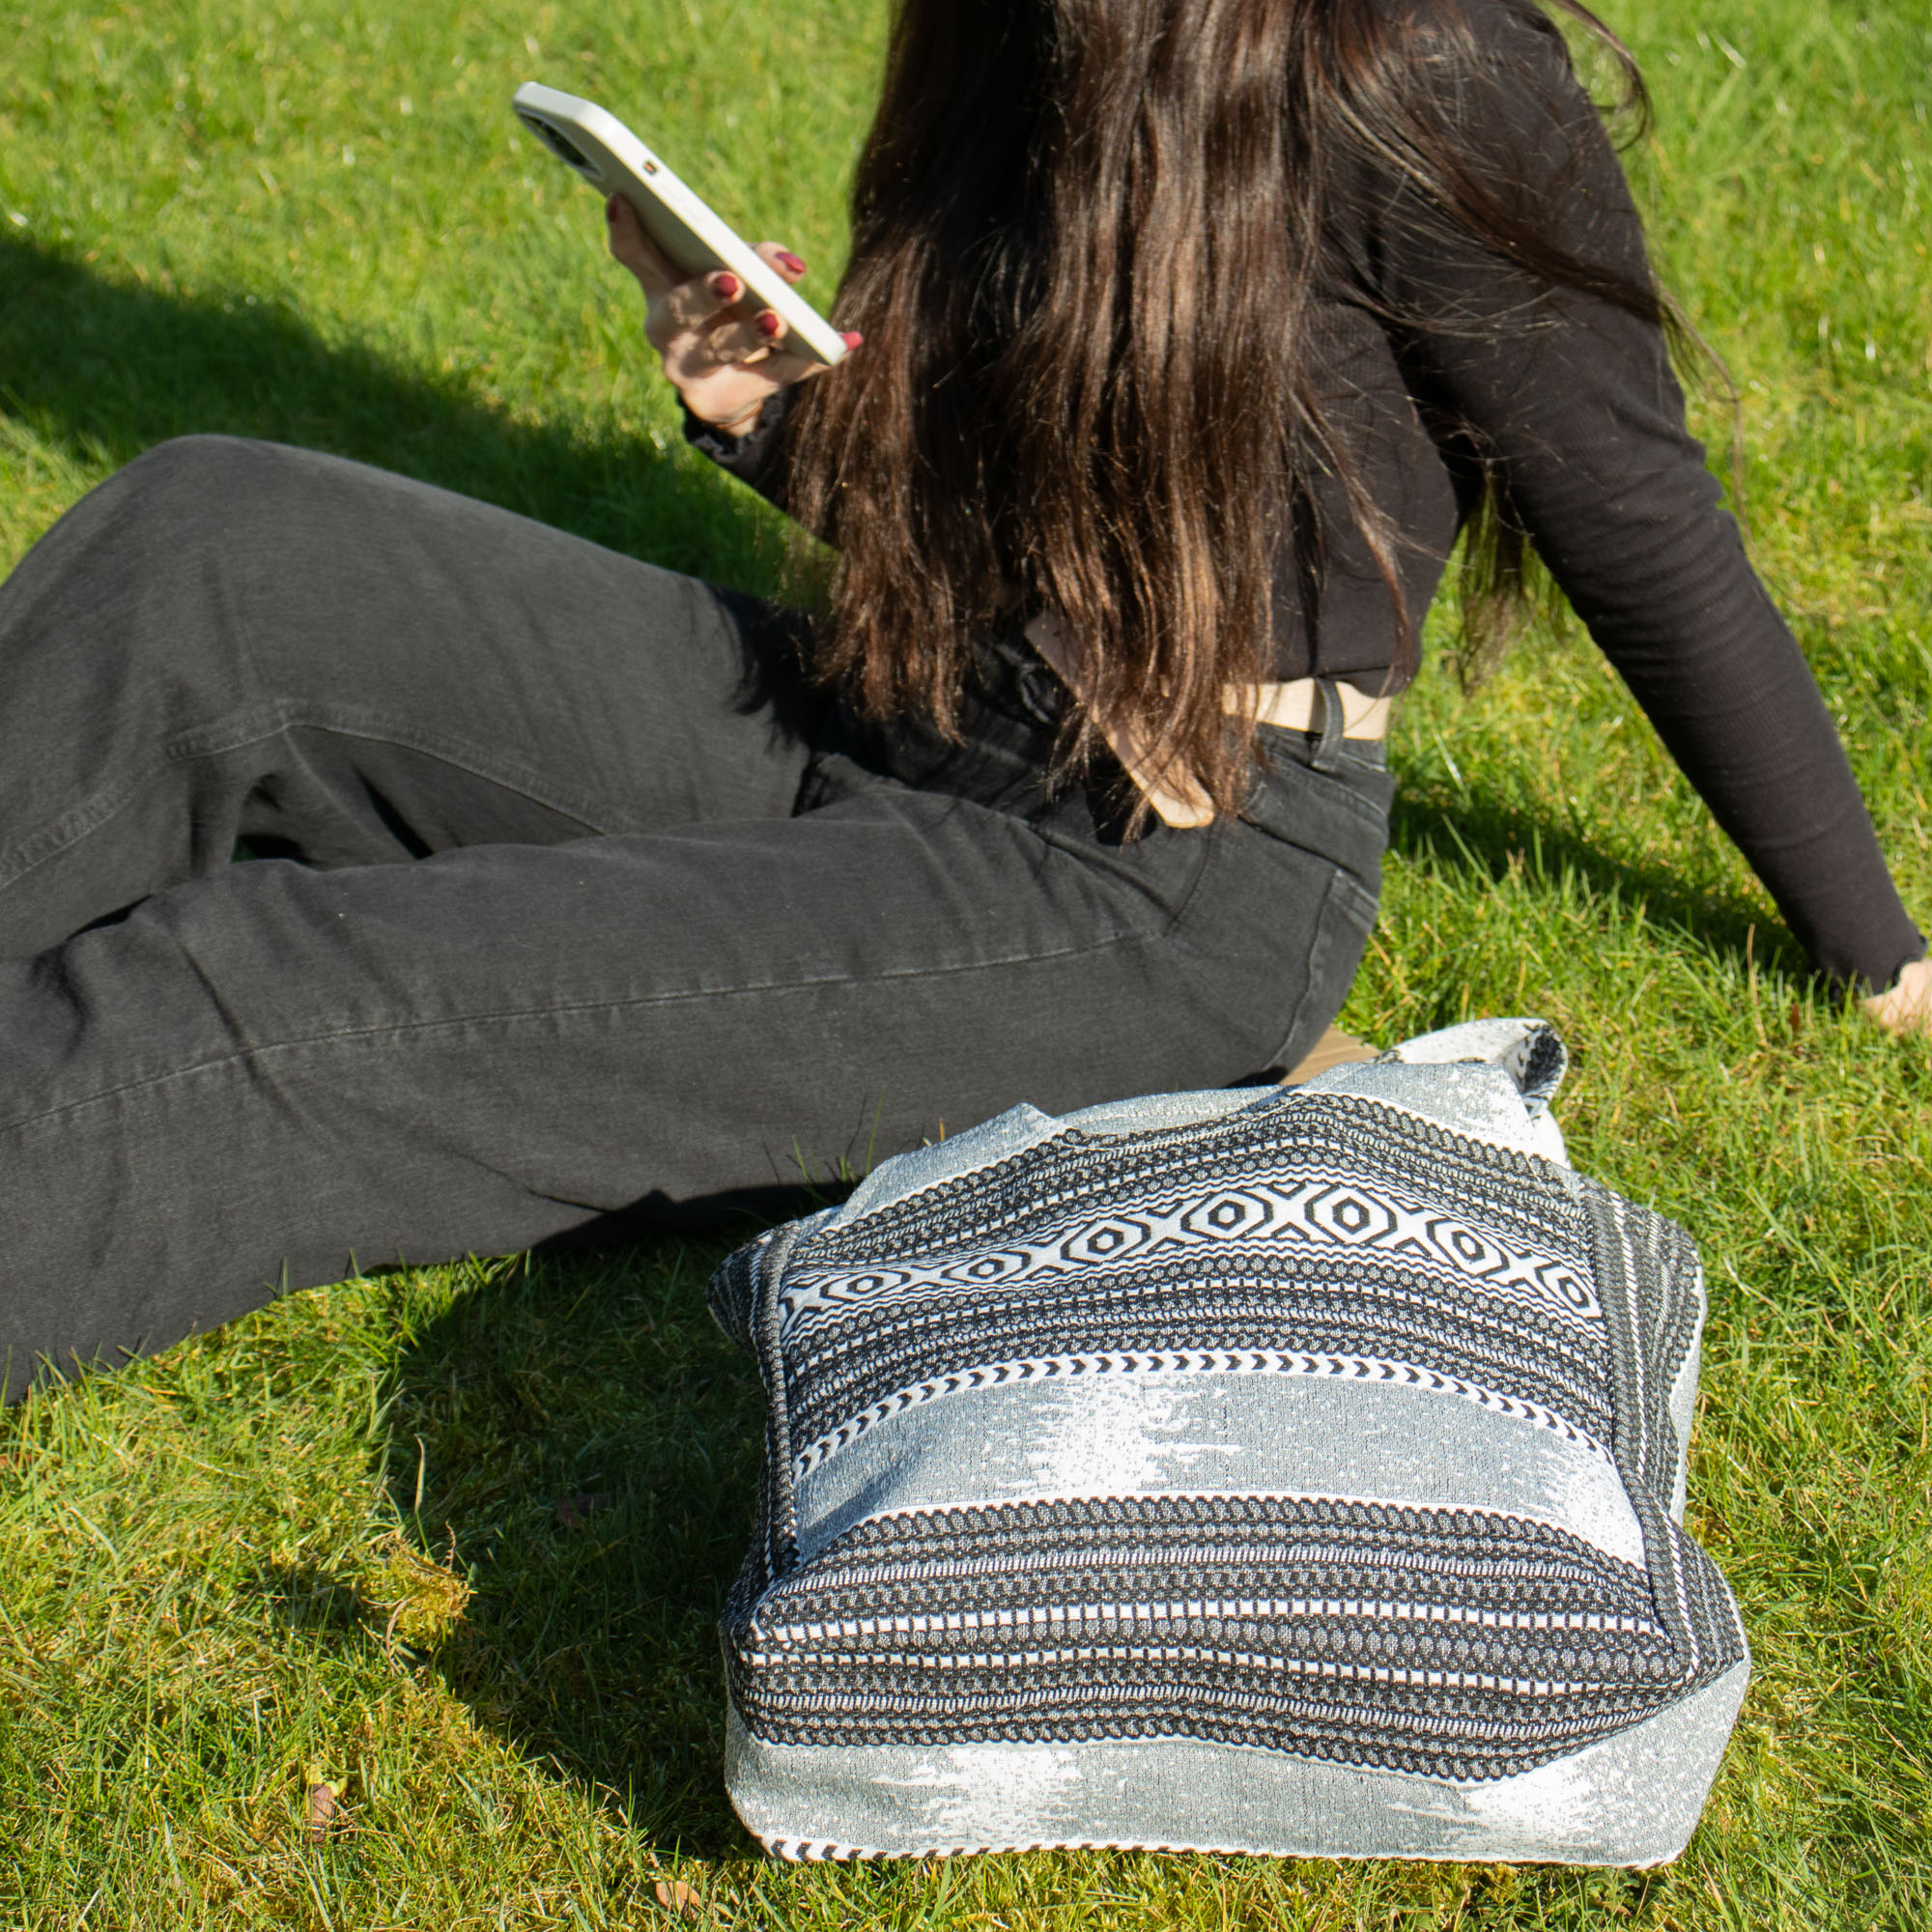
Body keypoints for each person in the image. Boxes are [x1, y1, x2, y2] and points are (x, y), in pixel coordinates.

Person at [2, 0, 1924, 1403]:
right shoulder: (1025, 28)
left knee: (257, 995)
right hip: (909, 700)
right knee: (218, 543)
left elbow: (1642, 524)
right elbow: (1020, 510)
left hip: (1160, 869)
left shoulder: (1419, 60)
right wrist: (769, 412)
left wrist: (1883, 954)